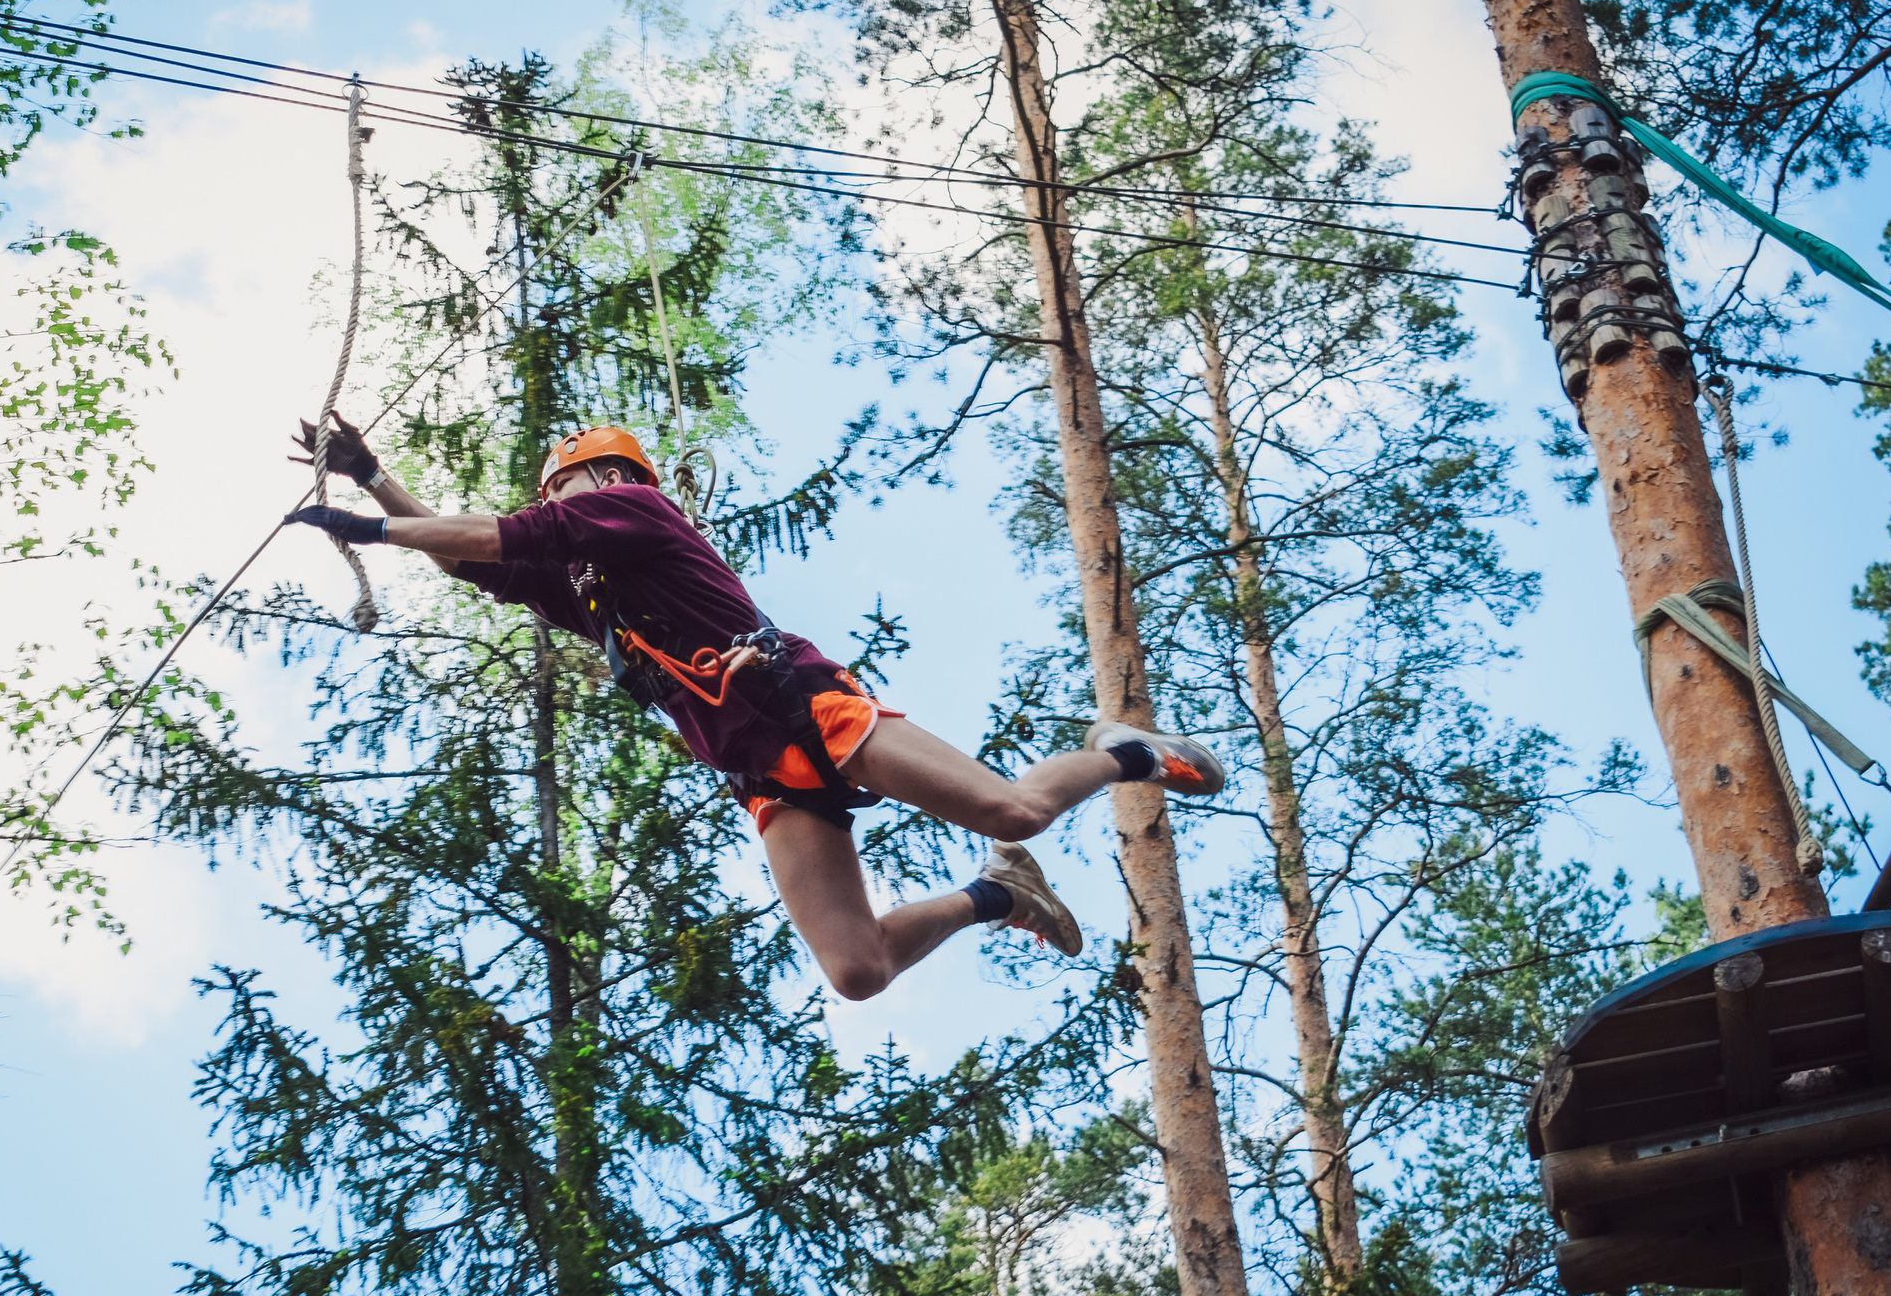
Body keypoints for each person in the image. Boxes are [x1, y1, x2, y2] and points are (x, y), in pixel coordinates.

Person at [285, 419, 1224, 1000]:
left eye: (562, 487)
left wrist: (367, 527)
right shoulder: (590, 589)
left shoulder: (636, 514)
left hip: (806, 706)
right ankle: (998, 895)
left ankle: (1125, 751)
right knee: (857, 969)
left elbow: (498, 535)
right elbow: (473, 556)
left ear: (603, 481)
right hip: (762, 769)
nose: (558, 502)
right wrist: (370, 476)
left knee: (1010, 809)